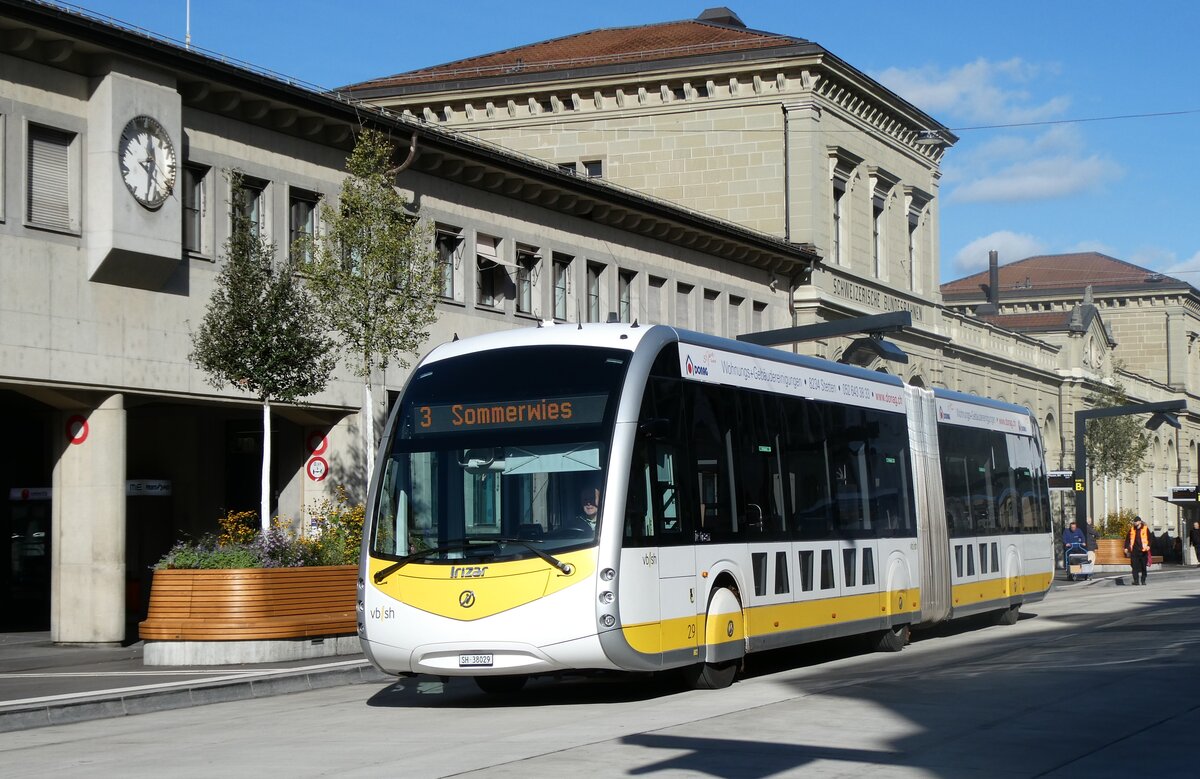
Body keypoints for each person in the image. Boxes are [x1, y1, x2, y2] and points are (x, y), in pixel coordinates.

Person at [1126, 516, 1150, 585]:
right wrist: (1126, 547)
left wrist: (1148, 546)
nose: (1135, 522)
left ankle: (1143, 580)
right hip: (1134, 551)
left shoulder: (1145, 529)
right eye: (1134, 521)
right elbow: (1127, 539)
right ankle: (1136, 581)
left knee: (1143, 567)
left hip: (1143, 551)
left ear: (1139, 522)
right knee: (1134, 566)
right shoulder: (1132, 529)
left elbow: (1150, 538)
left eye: (1136, 521)